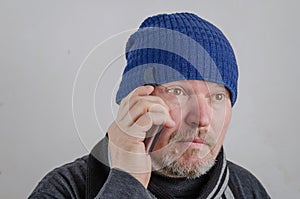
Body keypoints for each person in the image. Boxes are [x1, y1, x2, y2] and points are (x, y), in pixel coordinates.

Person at [29, 12, 270, 199]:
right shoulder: (67, 188)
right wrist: (127, 182)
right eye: (178, 91)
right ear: (133, 101)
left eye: (217, 97)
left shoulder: (246, 190)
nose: (202, 118)